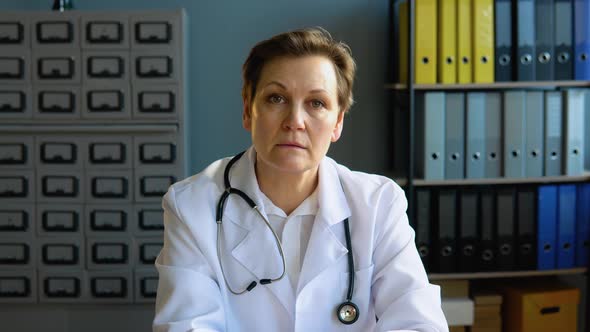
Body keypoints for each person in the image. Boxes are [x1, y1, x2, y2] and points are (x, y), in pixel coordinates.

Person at [153, 27, 448, 332]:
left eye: (316, 103)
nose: (294, 121)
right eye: (276, 98)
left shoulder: (378, 204)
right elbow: (187, 326)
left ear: (338, 121)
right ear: (247, 109)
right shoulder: (192, 206)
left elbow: (420, 325)